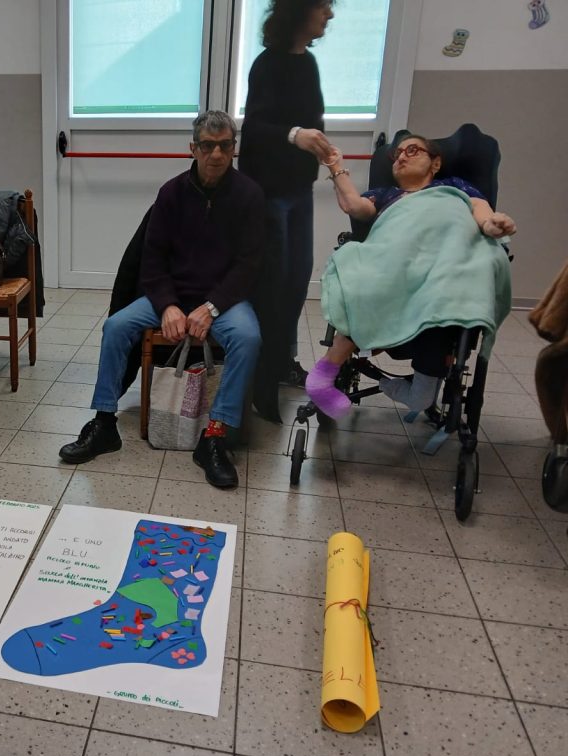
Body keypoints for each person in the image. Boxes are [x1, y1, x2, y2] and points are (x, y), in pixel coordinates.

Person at [58, 110, 264, 489]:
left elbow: (249, 266)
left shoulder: (249, 196)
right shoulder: (171, 193)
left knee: (249, 338)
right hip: (172, 295)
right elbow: (151, 259)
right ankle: (104, 422)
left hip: (223, 301)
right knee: (117, 325)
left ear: (234, 149)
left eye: (225, 146)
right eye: (208, 146)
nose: (216, 154)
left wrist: (212, 307)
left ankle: (214, 436)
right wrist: (168, 304)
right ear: (193, 148)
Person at [305, 134, 517, 418]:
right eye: (398, 154)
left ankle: (409, 389)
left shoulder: (456, 188)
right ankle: (323, 375)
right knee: (361, 273)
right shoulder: (386, 195)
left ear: (436, 163)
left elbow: (484, 218)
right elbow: (355, 207)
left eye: (412, 150)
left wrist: (496, 225)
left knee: (421, 398)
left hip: (443, 275)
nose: (402, 157)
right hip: (395, 267)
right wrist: (334, 165)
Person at [238, 0, 334, 416]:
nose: (329, 15)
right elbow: (254, 129)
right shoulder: (268, 64)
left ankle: (278, 364)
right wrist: (296, 135)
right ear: (302, 10)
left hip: (300, 192)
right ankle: (261, 382)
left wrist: (325, 152)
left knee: (296, 283)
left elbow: (315, 123)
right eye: (325, 7)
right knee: (272, 289)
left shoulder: (308, 64)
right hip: (270, 195)